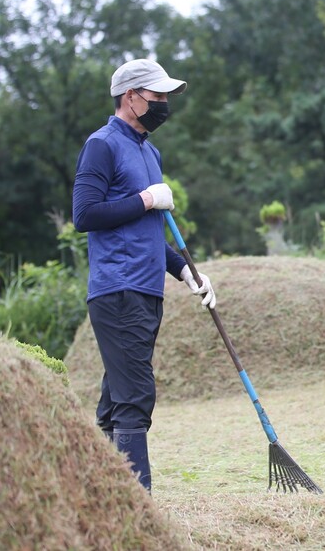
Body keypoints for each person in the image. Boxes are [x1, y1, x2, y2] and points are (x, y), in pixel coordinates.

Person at [72, 58, 217, 492]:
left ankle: (96, 495)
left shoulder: (149, 151)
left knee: (114, 402)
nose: (164, 103)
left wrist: (186, 272)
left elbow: (149, 231)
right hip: (118, 288)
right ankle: (139, 505)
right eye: (156, 95)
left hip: (147, 287)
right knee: (135, 398)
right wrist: (145, 198)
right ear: (130, 97)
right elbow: (85, 214)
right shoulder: (102, 145)